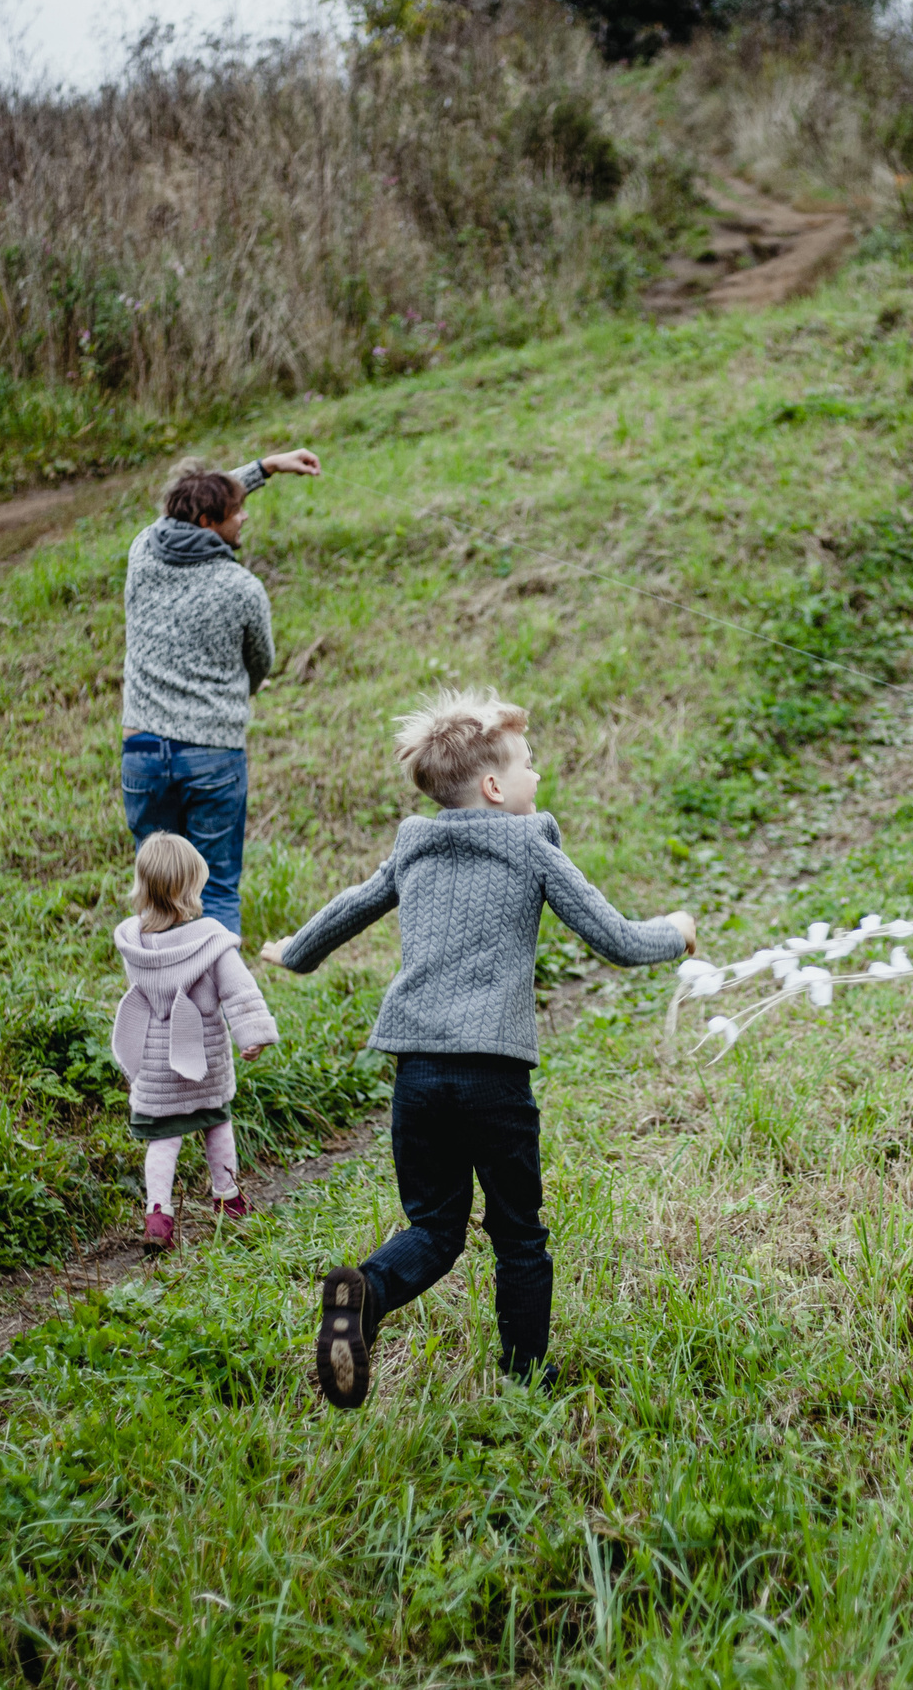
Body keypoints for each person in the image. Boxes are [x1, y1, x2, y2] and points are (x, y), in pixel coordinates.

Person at [260, 689, 698, 1408]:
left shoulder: (413, 842)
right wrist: (676, 931)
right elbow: (615, 938)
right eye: (528, 763)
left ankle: (364, 1292)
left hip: (417, 1072)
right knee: (518, 1232)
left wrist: (295, 953)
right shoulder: (532, 843)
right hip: (493, 1075)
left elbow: (350, 906)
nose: (537, 774)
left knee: (435, 1225)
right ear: (495, 787)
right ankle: (527, 1378)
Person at [121, 448, 322, 935]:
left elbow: (181, 505)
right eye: (236, 512)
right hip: (213, 755)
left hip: (142, 750)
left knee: (156, 888)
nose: (245, 516)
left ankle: (157, 1000)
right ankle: (214, 1005)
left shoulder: (143, 550)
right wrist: (243, 690)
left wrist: (267, 467)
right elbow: (262, 662)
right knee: (216, 887)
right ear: (210, 523)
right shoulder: (242, 587)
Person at [113, 832, 280, 1253]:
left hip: (157, 1064)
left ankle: (158, 1216)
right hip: (203, 1059)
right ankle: (227, 1198)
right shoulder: (209, 938)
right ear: (192, 888)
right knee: (216, 1124)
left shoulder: (135, 943)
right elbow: (238, 990)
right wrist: (253, 1035)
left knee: (163, 1140)